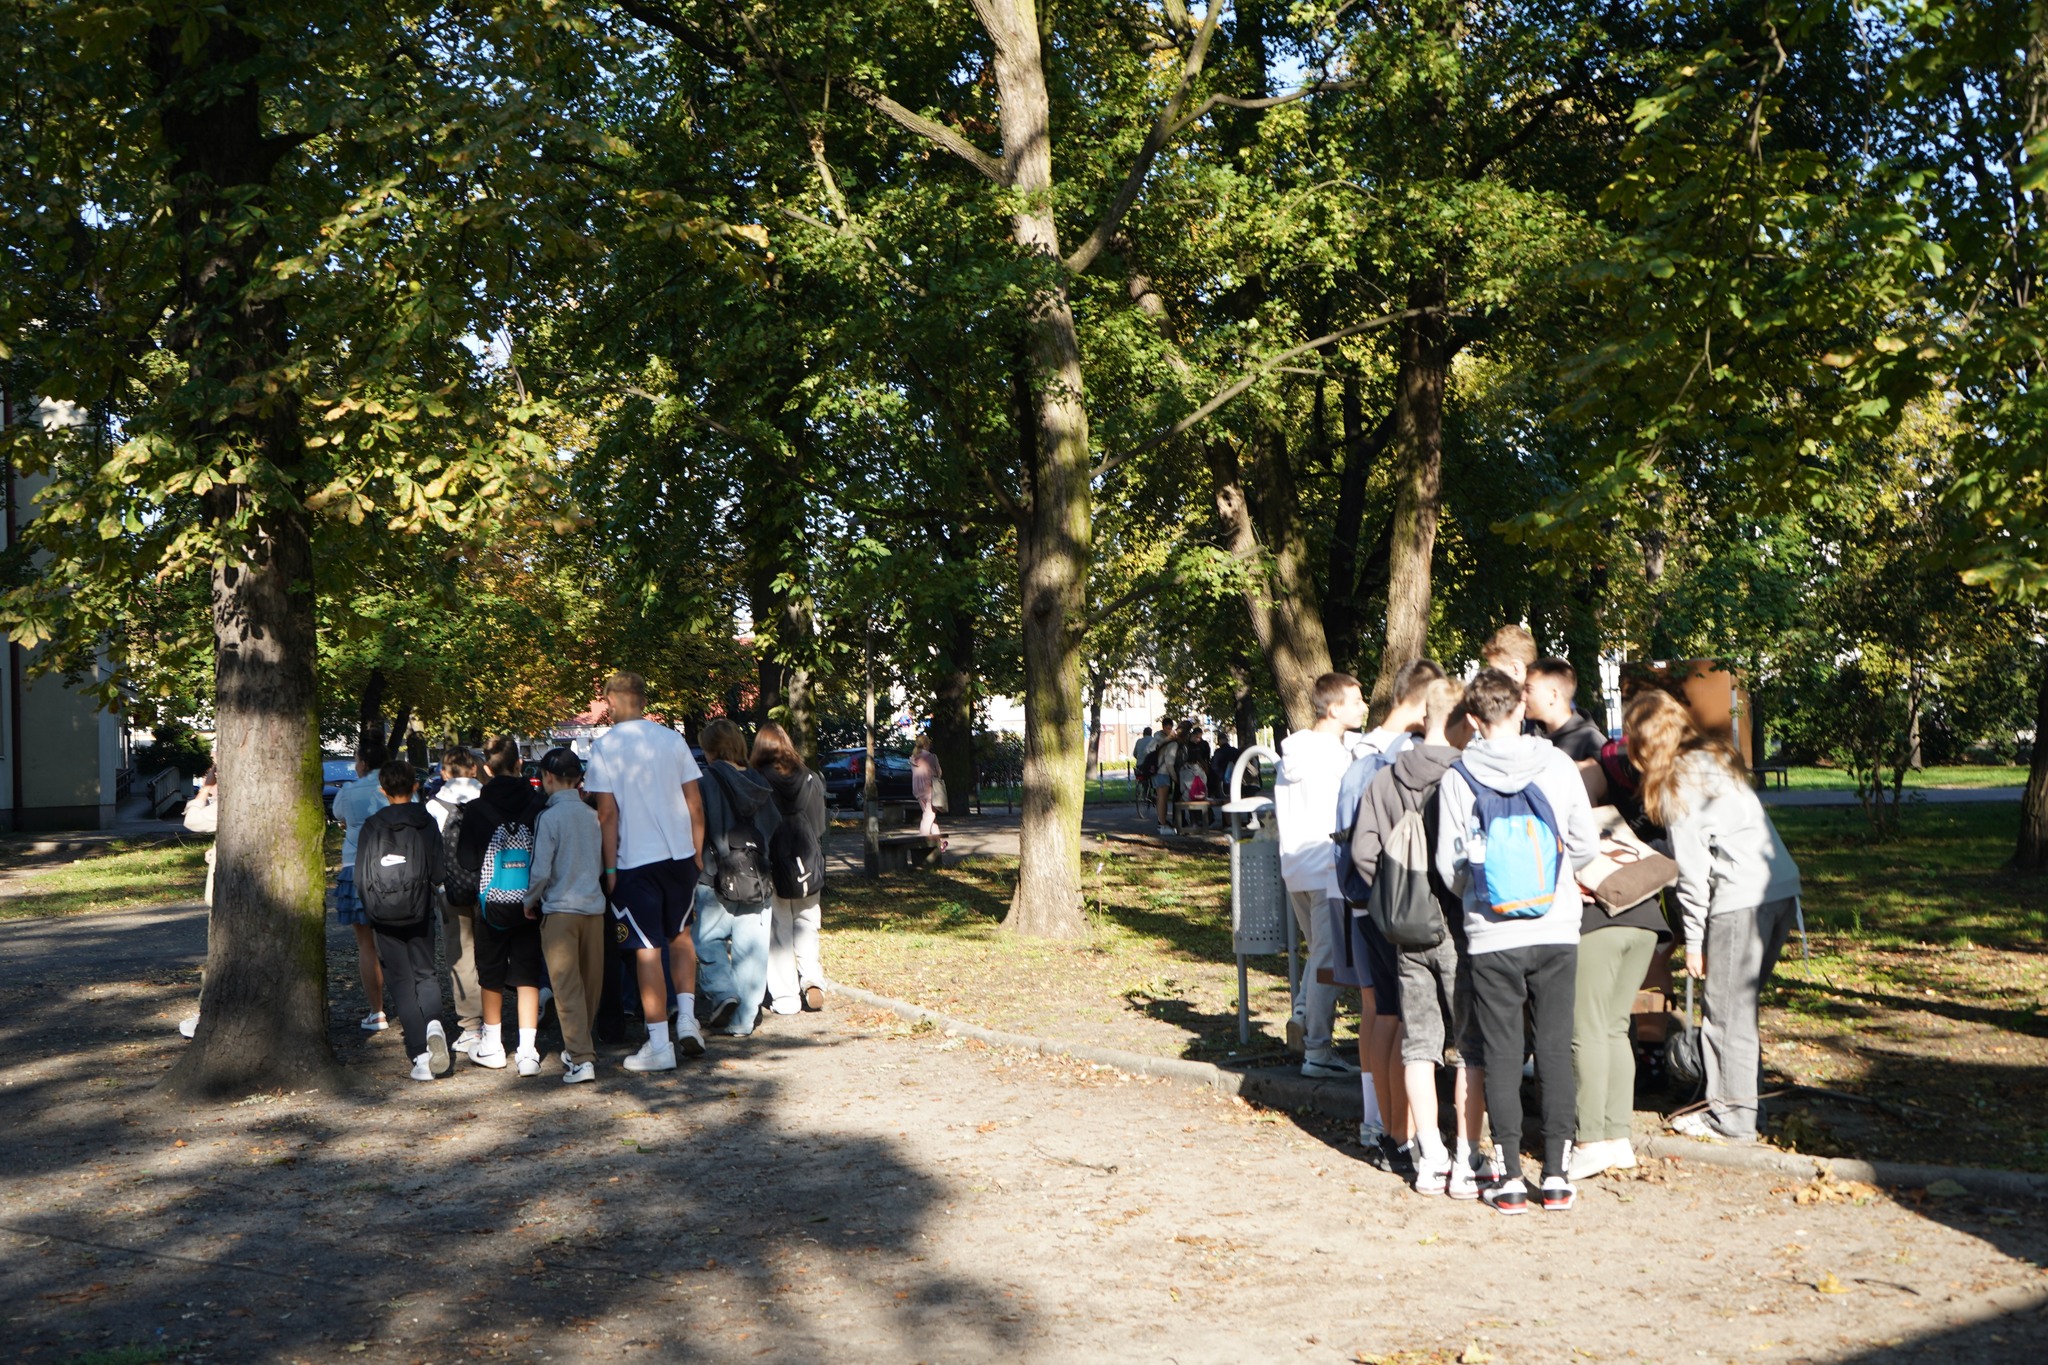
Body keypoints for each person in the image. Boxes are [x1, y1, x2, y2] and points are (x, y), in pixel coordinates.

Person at [1436, 668, 1598, 1214]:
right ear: (1520, 710)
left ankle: (1507, 1176)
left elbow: (1449, 866)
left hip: (1490, 936)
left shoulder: (1458, 777)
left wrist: (1487, 894)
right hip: (1556, 928)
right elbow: (1585, 844)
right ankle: (1556, 1175)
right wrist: (1551, 879)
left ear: (1476, 721)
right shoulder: (1556, 764)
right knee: (1553, 1047)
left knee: (1503, 1053)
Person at [1626, 689, 1802, 1145]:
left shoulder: (1679, 780)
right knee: (1738, 1011)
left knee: (1724, 1014)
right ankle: (1742, 1106)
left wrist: (1694, 942)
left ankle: (1731, 1119)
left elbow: (1692, 873)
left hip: (1740, 900)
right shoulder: (1713, 760)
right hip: (1778, 889)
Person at [1349, 677, 1491, 1195]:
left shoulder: (1382, 780)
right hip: (1457, 925)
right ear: (1462, 721)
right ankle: (1469, 1154)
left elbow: (1362, 856)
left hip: (1405, 933)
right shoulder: (1466, 775)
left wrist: (1393, 903)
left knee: (1419, 1044)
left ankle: (1427, 1154)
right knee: (1469, 1047)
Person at [586, 671, 709, 1072]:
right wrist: (697, 851)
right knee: (681, 937)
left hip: (635, 860)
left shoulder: (604, 748)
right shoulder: (672, 739)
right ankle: (687, 1019)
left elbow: (606, 813)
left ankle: (659, 1043)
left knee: (646, 950)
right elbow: (694, 802)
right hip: (680, 855)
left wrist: (608, 868)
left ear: (616, 700)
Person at [1274, 673, 1368, 1082]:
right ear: (1333, 709)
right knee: (1329, 962)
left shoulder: (1293, 751)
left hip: (1297, 866)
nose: (1364, 706)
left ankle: (1301, 1012)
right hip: (1329, 867)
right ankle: (1317, 1051)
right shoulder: (1335, 757)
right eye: (1356, 700)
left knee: (1319, 956)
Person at [355, 759, 453, 1082]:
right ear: (415, 786)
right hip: (420, 907)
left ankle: (420, 1055)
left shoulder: (372, 825)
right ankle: (435, 1023)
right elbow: (439, 872)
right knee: (425, 972)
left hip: (383, 913)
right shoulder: (425, 821)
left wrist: (372, 907)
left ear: (382, 790)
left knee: (400, 979)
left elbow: (360, 876)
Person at [457, 736, 549, 1075]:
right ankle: (528, 1052)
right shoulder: (539, 803)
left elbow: (467, 860)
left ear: (486, 768)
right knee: (528, 972)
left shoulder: (478, 809)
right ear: (520, 763)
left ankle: (493, 1044)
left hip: (491, 902)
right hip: (531, 900)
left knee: (491, 971)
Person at [527, 747, 606, 1084]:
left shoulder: (548, 817)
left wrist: (529, 900)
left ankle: (581, 1057)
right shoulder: (592, 815)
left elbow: (541, 868)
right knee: (590, 985)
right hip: (593, 907)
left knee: (566, 986)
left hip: (559, 909)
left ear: (547, 777)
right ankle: (579, 1046)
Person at [693, 719, 777, 1036]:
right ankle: (743, 1020)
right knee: (751, 951)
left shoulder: (704, 781)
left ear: (711, 748)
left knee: (706, 940)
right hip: (757, 875)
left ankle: (722, 991)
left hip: (714, 874)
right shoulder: (759, 783)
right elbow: (772, 827)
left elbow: (695, 825)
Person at [755, 722, 829, 1015]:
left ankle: (786, 998)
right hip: (807, 858)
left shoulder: (757, 781)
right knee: (808, 922)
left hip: (772, 861)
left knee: (778, 929)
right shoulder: (811, 778)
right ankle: (812, 980)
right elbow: (820, 826)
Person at [427, 747, 486, 1054]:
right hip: (491, 888)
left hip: (451, 890)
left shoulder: (433, 806)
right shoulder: (488, 800)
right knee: (490, 952)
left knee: (460, 955)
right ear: (474, 770)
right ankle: (495, 1024)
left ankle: (471, 1025)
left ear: (444, 773)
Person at [329, 743, 391, 1033]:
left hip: (356, 867)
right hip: (395, 870)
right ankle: (412, 1007)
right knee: (397, 941)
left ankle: (376, 1012)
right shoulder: (397, 786)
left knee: (366, 945)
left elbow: (339, 816)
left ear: (363, 763)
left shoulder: (348, 791)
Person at [1525, 658, 1605, 760]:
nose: (1522, 696)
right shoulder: (1529, 740)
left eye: (1528, 690)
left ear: (1553, 695)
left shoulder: (1591, 743)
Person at [1148, 722, 1185, 836]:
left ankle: (1161, 823)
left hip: (1156, 771)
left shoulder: (1159, 739)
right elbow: (1169, 763)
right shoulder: (1171, 744)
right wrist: (1175, 778)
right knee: (1162, 800)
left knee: (1161, 799)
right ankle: (1163, 825)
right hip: (1163, 772)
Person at [911, 733, 945, 843]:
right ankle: (922, 839)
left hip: (918, 791)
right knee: (928, 815)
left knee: (931, 817)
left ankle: (939, 843)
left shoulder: (912, 759)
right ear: (926, 744)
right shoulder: (931, 757)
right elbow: (939, 773)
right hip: (930, 790)